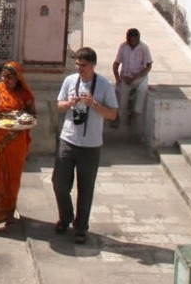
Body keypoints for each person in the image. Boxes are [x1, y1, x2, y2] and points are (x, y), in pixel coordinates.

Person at [53, 47, 117, 244]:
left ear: (92, 65)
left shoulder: (104, 85)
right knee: (59, 183)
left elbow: (113, 114)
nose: (79, 69)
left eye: (83, 65)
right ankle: (66, 216)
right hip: (69, 139)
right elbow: (59, 106)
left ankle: (81, 227)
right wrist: (70, 103)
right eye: (77, 65)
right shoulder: (70, 81)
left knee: (85, 188)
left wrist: (94, 104)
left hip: (90, 145)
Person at [0, 62, 36, 236]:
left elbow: (32, 115)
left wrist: (22, 120)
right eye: (3, 76)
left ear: (18, 78)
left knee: (11, 179)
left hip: (15, 142)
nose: (5, 80)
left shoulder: (25, 94)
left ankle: (8, 213)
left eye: (9, 77)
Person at [112, 28, 152, 128]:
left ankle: (134, 114)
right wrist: (117, 79)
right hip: (126, 76)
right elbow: (116, 64)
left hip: (140, 76)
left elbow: (148, 66)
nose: (133, 42)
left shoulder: (144, 48)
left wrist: (135, 77)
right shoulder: (123, 47)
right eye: (131, 40)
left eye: (135, 40)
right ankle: (119, 118)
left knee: (142, 90)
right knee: (121, 97)